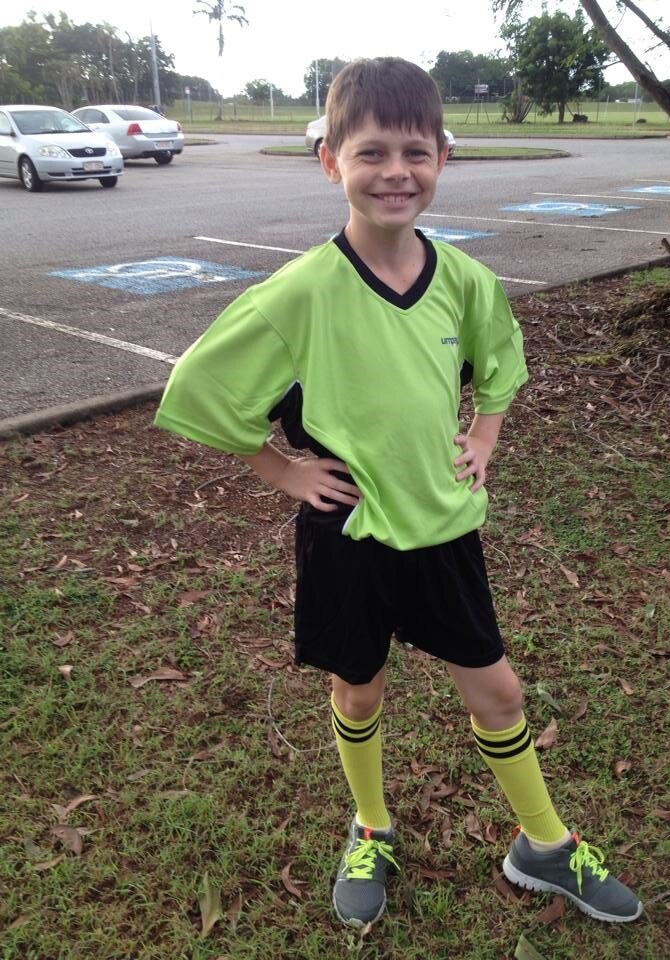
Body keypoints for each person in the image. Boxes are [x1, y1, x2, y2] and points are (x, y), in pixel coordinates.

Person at [154, 57, 642, 929]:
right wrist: (284, 470)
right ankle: (372, 826)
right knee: (360, 691)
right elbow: (199, 390)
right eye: (371, 152)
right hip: (349, 535)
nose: (395, 172)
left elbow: (500, 363)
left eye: (415, 152)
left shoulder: (464, 279)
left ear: (442, 159)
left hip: (444, 529)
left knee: (500, 694)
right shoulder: (300, 292)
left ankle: (543, 845)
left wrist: (484, 436)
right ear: (330, 162)